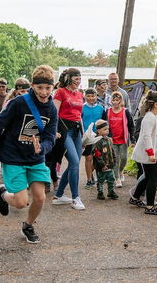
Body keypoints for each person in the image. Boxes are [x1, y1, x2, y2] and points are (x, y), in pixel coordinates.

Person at [0, 65, 57, 244]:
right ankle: (3, 194)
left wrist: (43, 147)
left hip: (35, 158)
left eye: (48, 88)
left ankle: (28, 225)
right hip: (13, 156)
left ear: (53, 87)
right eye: (40, 87)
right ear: (32, 85)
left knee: (40, 197)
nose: (44, 92)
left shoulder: (52, 109)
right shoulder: (19, 103)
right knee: (20, 202)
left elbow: (50, 137)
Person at [52, 68, 85, 210]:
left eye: (79, 78)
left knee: (74, 164)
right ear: (68, 78)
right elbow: (54, 113)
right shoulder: (60, 92)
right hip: (64, 131)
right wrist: (54, 131)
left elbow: (79, 115)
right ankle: (75, 198)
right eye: (75, 78)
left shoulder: (79, 94)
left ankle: (58, 196)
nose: (78, 80)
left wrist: (84, 135)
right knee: (75, 162)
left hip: (77, 131)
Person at [129, 91, 157, 215]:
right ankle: (150, 206)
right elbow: (146, 136)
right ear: (155, 104)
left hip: (151, 153)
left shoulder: (155, 117)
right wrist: (150, 153)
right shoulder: (149, 117)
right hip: (147, 154)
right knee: (153, 178)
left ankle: (135, 198)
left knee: (147, 177)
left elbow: (156, 138)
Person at [106, 91, 135, 188]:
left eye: (117, 100)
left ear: (121, 101)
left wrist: (132, 138)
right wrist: (107, 136)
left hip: (123, 139)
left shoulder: (125, 111)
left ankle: (121, 171)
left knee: (123, 158)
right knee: (115, 159)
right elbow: (105, 124)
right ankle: (117, 178)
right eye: (113, 100)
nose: (115, 102)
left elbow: (131, 125)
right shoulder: (108, 111)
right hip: (112, 140)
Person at [82, 88, 106, 189]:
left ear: (96, 96)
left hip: (98, 136)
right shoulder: (81, 108)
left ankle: (92, 175)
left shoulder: (101, 108)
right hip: (87, 136)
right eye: (88, 96)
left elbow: (105, 123)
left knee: (97, 157)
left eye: (93, 96)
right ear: (85, 96)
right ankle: (88, 180)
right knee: (88, 157)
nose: (90, 98)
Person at [92, 119, 118, 200]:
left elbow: (112, 150)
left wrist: (114, 159)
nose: (107, 131)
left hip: (110, 164)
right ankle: (100, 192)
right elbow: (97, 154)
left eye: (108, 129)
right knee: (101, 180)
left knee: (111, 179)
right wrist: (102, 164)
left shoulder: (109, 139)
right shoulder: (97, 141)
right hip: (101, 167)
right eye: (105, 129)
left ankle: (111, 191)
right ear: (98, 130)